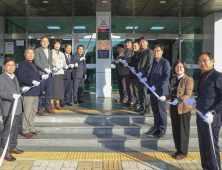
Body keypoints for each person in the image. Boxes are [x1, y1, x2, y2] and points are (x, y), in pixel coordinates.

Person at [185, 52, 222, 170]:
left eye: (205, 60)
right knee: (203, 147)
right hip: (201, 117)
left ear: (213, 61)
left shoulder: (218, 76)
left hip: (211, 118)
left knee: (211, 148)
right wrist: (194, 99)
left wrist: (213, 111)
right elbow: (206, 95)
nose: (202, 63)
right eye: (200, 61)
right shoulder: (202, 76)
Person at [158, 60, 194, 159]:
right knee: (176, 130)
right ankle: (178, 150)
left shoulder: (189, 79)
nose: (179, 68)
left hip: (184, 109)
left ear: (185, 68)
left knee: (183, 131)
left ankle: (183, 152)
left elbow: (188, 95)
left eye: (181, 67)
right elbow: (171, 94)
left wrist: (178, 100)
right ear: (174, 69)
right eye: (177, 67)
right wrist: (165, 97)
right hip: (174, 108)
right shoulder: (173, 80)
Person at [18, 47, 48, 138]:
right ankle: (25, 130)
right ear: (25, 54)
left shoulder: (34, 64)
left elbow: (35, 77)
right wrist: (31, 82)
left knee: (32, 112)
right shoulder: (23, 64)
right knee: (27, 113)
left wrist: (41, 76)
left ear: (34, 55)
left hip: (35, 92)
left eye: (32, 54)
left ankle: (31, 128)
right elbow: (21, 77)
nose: (31, 55)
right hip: (28, 92)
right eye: (28, 53)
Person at [0, 58, 24, 161]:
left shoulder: (14, 77)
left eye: (13, 65)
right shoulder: (1, 78)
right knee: (7, 131)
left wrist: (22, 90)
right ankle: (5, 152)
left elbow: (16, 91)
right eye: (8, 65)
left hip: (17, 108)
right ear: (4, 67)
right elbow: (0, 93)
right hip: (8, 108)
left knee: (14, 130)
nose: (11, 67)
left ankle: (13, 147)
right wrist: (11, 95)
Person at [145, 44, 170, 138]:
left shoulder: (165, 62)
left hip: (161, 92)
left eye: (158, 50)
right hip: (153, 91)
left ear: (162, 52)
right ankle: (156, 127)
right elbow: (152, 76)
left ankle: (163, 129)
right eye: (154, 50)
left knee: (162, 111)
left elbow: (166, 76)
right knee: (155, 111)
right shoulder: (153, 62)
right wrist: (146, 80)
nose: (156, 52)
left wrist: (155, 86)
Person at [34, 36, 55, 115]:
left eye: (46, 41)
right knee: (40, 92)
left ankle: (47, 107)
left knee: (49, 92)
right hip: (41, 74)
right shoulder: (37, 50)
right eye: (43, 41)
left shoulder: (50, 51)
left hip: (50, 74)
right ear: (40, 42)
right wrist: (44, 69)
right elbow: (37, 62)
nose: (44, 43)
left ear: (49, 43)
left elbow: (50, 63)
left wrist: (53, 68)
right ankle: (39, 108)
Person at [135, 37, 154, 115]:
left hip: (145, 76)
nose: (141, 44)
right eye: (140, 42)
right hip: (138, 75)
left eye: (143, 42)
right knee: (140, 92)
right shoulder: (139, 52)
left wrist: (142, 73)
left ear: (147, 43)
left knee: (146, 93)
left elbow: (149, 65)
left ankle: (147, 108)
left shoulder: (149, 52)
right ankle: (142, 106)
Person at [50, 39, 68, 110]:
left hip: (60, 73)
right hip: (54, 73)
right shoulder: (50, 52)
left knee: (59, 89)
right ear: (53, 45)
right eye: (56, 44)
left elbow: (64, 63)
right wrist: (53, 67)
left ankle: (57, 104)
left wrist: (65, 66)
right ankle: (52, 103)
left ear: (60, 45)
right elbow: (49, 62)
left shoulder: (62, 53)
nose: (57, 45)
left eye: (59, 44)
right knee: (53, 89)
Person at [118, 39, 135, 106]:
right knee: (127, 87)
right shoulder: (127, 51)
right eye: (126, 43)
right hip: (125, 72)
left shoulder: (132, 51)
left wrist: (127, 62)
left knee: (130, 87)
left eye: (128, 43)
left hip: (130, 71)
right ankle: (129, 99)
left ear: (131, 43)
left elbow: (132, 61)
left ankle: (132, 100)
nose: (126, 44)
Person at [128, 41, 140, 110]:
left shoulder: (139, 54)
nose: (134, 47)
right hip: (133, 75)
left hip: (136, 76)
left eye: (135, 46)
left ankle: (138, 104)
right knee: (135, 91)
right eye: (133, 46)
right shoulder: (135, 54)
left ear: (139, 46)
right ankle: (136, 103)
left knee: (137, 91)